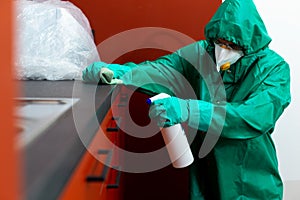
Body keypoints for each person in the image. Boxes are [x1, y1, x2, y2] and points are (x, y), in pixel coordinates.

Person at [82, 0, 291, 199]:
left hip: (248, 172)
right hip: (206, 168)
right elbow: (160, 71)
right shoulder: (201, 53)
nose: (223, 50)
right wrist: (117, 73)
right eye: (219, 42)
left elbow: (255, 116)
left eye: (231, 45)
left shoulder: (273, 68)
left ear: (250, 42)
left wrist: (187, 110)